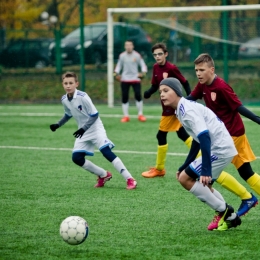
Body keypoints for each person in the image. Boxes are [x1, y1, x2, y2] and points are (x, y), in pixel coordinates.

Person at [159, 77, 242, 231]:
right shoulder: (181, 109)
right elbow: (197, 140)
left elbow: (204, 137)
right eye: (160, 92)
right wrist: (185, 164)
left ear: (176, 92)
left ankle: (224, 210)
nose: (162, 95)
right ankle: (232, 218)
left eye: (166, 90)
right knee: (206, 185)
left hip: (220, 149)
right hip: (221, 147)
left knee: (185, 179)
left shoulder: (187, 110)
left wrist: (205, 170)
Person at [187, 53, 259, 216]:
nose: (198, 73)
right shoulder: (203, 85)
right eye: (196, 70)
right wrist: (177, 103)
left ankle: (227, 211)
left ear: (211, 70)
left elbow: (238, 107)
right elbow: (190, 99)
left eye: (201, 70)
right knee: (246, 172)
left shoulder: (221, 87)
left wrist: (257, 119)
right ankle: (245, 200)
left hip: (232, 135)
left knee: (207, 175)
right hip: (222, 135)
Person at [49, 71, 137, 190]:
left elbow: (94, 115)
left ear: (77, 84)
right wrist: (58, 124)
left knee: (106, 152)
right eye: (66, 83)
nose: (68, 85)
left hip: (95, 129)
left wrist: (83, 128)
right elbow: (68, 114)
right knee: (77, 158)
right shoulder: (64, 99)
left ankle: (129, 179)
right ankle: (103, 175)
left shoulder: (83, 97)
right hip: (83, 132)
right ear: (62, 84)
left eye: (71, 83)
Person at [141, 43, 194, 178]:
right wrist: (148, 92)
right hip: (168, 106)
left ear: (166, 54)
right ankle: (203, 158)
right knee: (181, 133)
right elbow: (155, 85)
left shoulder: (171, 68)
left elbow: (185, 82)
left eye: (160, 54)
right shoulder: (155, 67)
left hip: (172, 107)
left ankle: (159, 169)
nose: (157, 57)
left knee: (161, 135)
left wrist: (190, 98)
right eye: (155, 55)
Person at [114, 40, 147, 123]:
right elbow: (119, 66)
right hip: (125, 79)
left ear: (133, 46)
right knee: (125, 97)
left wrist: (143, 72)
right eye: (127, 45)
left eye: (130, 45)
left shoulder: (137, 55)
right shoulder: (122, 56)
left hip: (135, 78)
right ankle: (126, 116)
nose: (128, 47)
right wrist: (116, 73)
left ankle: (140, 114)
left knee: (138, 95)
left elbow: (142, 65)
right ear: (125, 47)